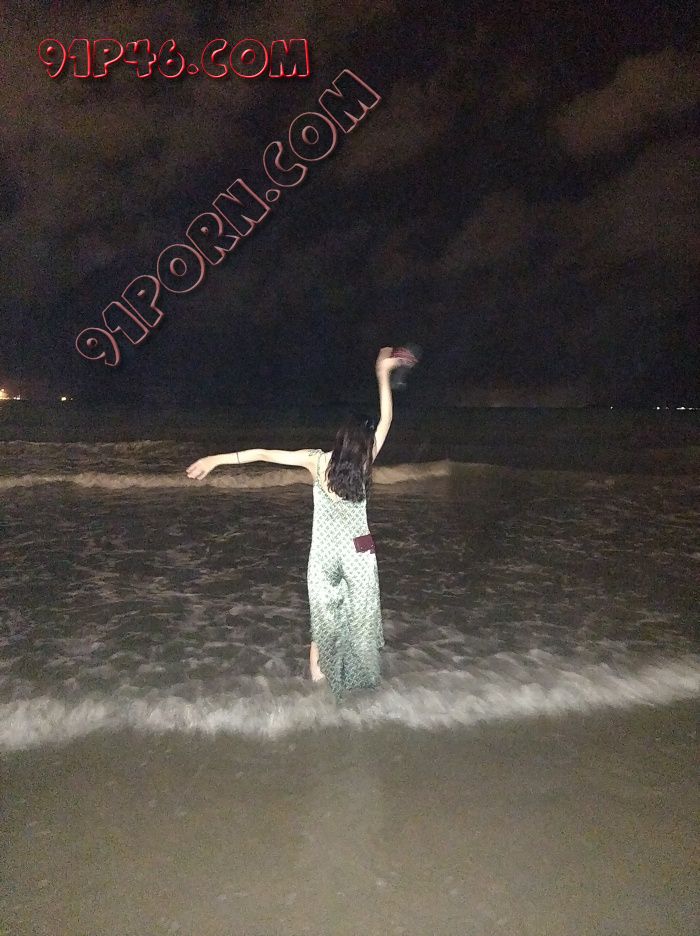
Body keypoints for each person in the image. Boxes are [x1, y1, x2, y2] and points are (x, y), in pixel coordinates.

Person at [185, 346, 418, 699]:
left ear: (341, 438)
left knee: (323, 623)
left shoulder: (316, 460)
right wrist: (382, 375)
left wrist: (214, 459)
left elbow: (262, 453)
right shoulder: (366, 460)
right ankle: (359, 692)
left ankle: (317, 691)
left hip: (324, 558)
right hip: (360, 556)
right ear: (365, 443)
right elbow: (387, 419)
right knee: (359, 621)